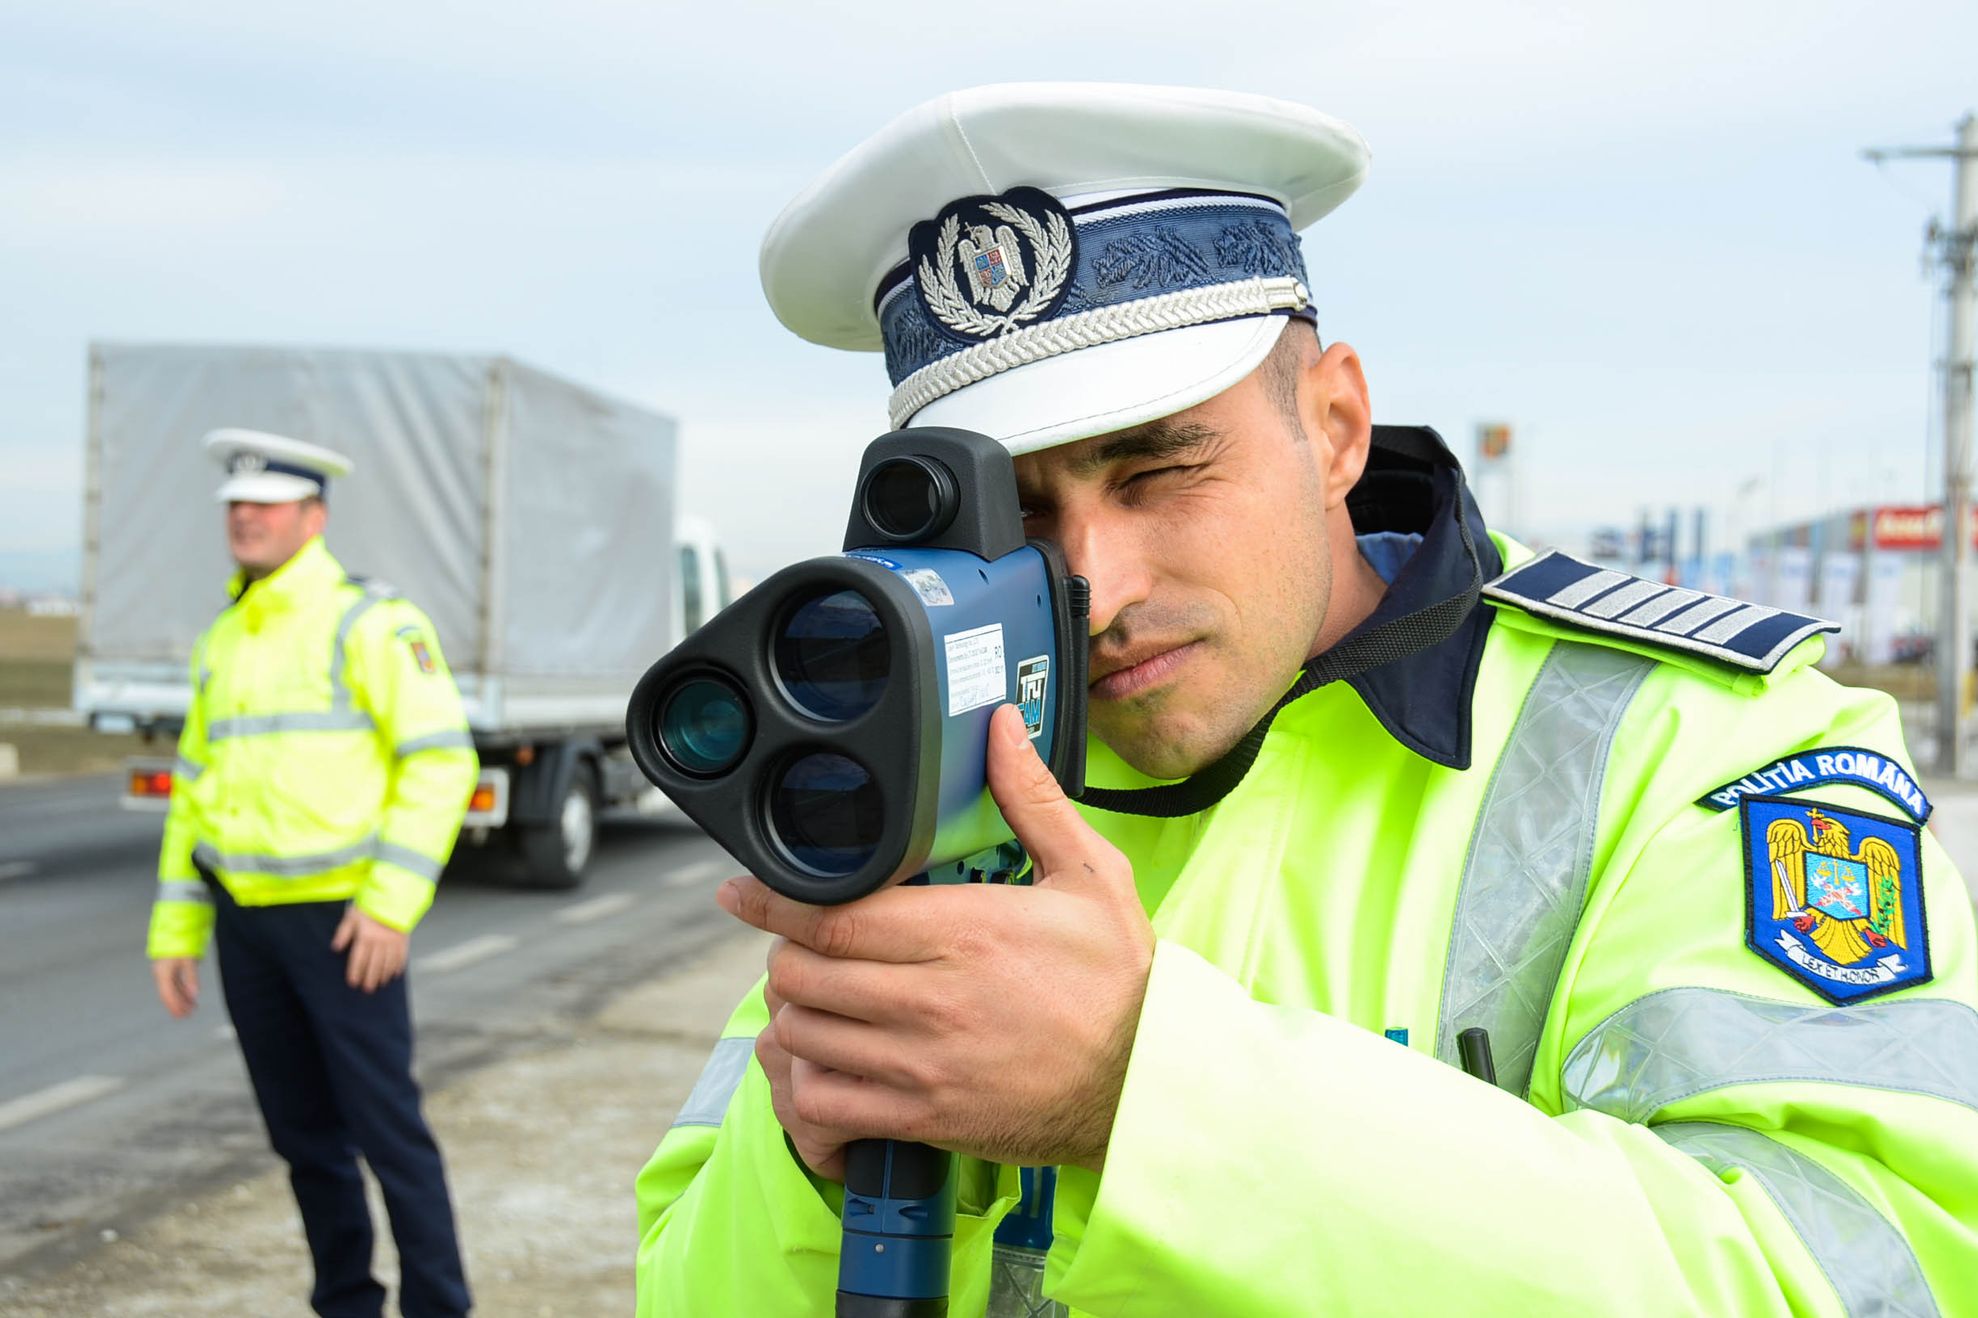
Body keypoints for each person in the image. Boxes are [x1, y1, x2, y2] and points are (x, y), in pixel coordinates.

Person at [635, 84, 1978, 1315]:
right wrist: (812, 1161)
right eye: (1021, 514)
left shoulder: (1709, 746)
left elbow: (1865, 1271)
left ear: (1332, 426)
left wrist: (1150, 1087)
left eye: (1158, 469)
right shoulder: (936, 774)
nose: (1092, 584)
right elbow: (689, 1287)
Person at [147, 428, 478, 1318]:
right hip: (246, 925)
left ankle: (439, 1308)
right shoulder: (226, 636)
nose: (245, 518)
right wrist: (176, 931)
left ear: (313, 515)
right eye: (235, 506)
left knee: (389, 1136)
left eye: (265, 504)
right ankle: (346, 1303)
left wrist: (388, 908)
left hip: (342, 925)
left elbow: (442, 762)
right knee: (302, 1140)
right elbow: (194, 793)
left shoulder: (369, 623)